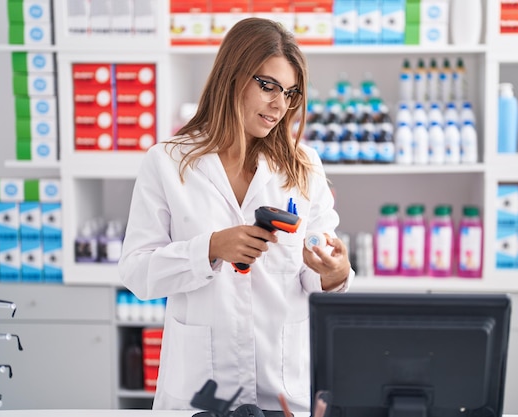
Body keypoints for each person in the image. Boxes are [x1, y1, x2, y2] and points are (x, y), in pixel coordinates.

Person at [118, 17, 354, 413]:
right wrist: (209, 249)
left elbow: (316, 275)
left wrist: (334, 274)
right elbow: (136, 272)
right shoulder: (168, 162)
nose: (281, 105)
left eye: (291, 93)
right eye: (268, 86)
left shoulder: (304, 165)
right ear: (232, 76)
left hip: (282, 392)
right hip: (199, 394)